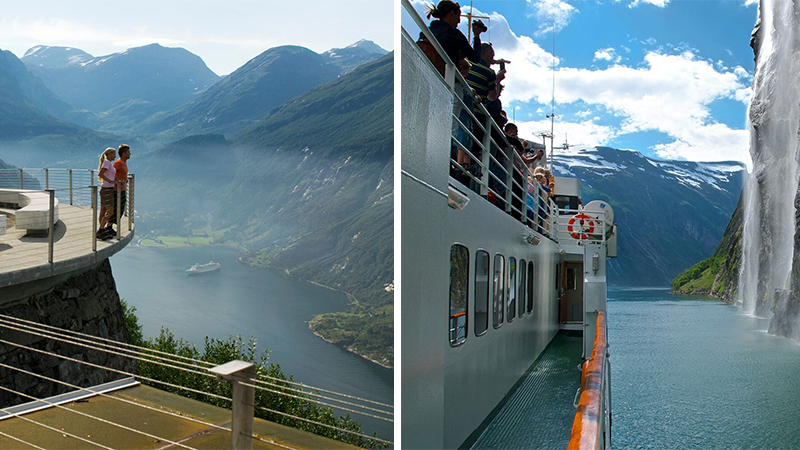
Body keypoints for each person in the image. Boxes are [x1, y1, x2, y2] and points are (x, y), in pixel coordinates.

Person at [420, 0, 484, 76]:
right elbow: (475, 58)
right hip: (445, 77)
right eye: (458, 17)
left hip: (425, 72)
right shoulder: (455, 35)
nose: (459, 21)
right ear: (452, 14)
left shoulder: (425, 32)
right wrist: (476, 36)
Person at [108, 144, 131, 234]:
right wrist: (118, 181)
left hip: (121, 189)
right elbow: (110, 172)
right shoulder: (119, 163)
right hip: (116, 190)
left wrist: (125, 180)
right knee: (116, 209)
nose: (130, 154)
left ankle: (109, 227)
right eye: (128, 152)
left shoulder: (123, 163)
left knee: (120, 208)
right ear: (123, 153)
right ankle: (108, 227)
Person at [97, 147, 117, 239]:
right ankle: (101, 230)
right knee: (110, 211)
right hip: (107, 190)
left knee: (103, 210)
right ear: (109, 154)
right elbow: (101, 174)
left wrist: (116, 180)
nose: (115, 156)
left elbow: (109, 175)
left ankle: (102, 231)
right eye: (114, 154)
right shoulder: (107, 162)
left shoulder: (107, 163)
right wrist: (109, 181)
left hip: (105, 189)